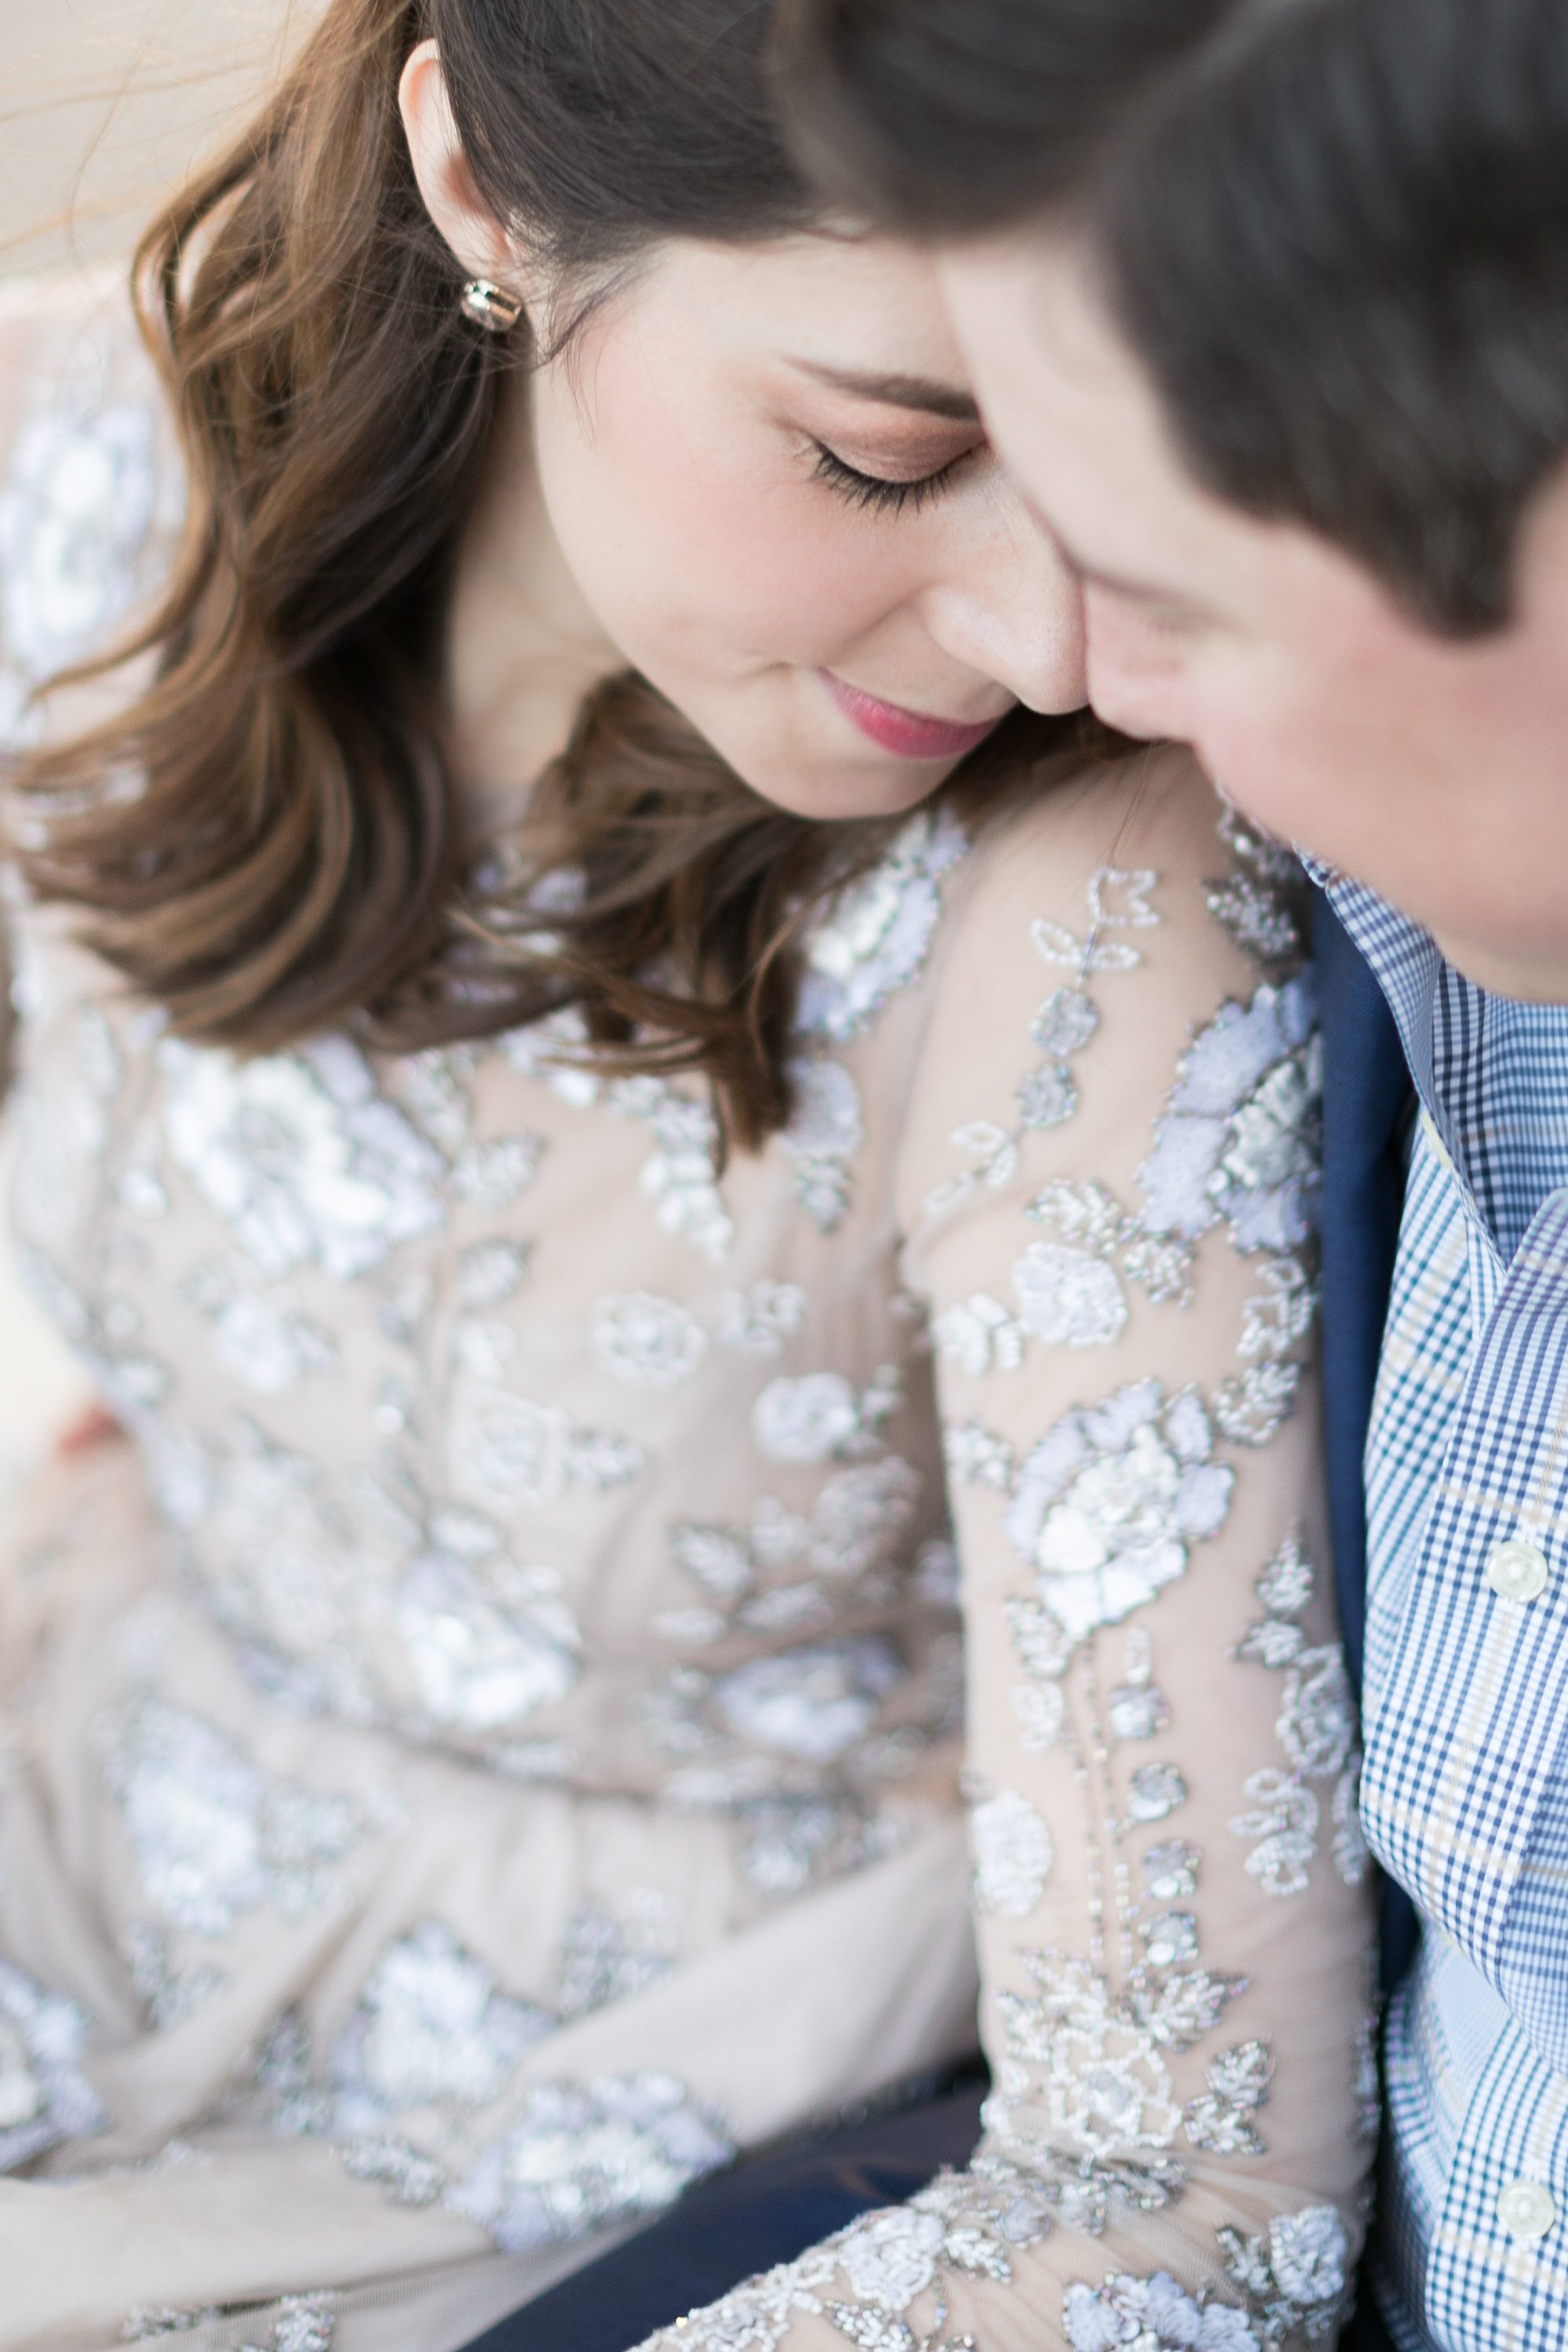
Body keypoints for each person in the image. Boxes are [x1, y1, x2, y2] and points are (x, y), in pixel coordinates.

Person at [0, 2, 1370, 2347]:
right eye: (882, 453)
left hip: (647, 2117)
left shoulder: (1090, 895)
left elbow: (1185, 2194)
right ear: (484, 195)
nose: (1056, 634)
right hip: (82, 1788)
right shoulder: (80, 469)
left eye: (1142, 455)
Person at [626, 2, 1568, 2350]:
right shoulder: (1423, 938)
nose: (1079, 668)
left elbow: (1178, 2179)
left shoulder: (1151, 918)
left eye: (1171, 579)